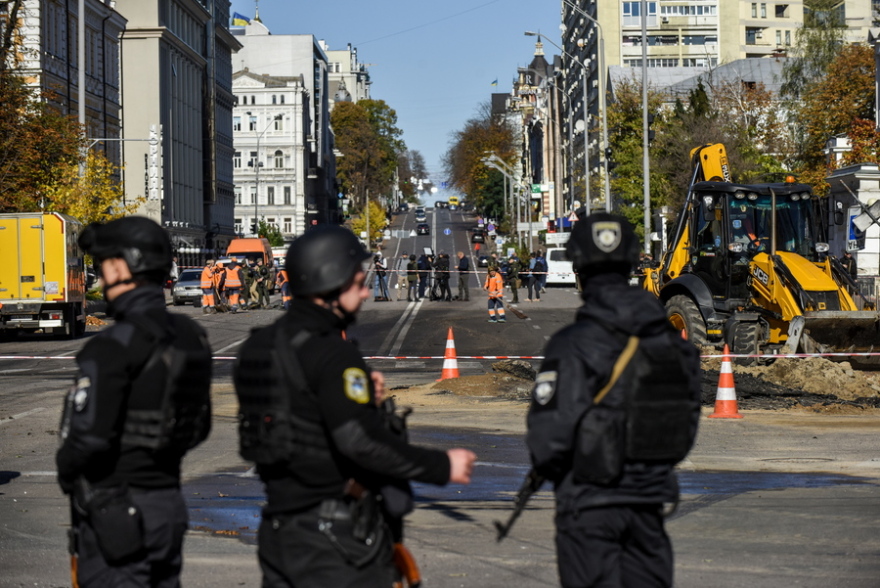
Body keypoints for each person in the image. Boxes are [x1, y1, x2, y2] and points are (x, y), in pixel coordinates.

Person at [233, 225, 477, 586]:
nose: (365, 292)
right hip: (336, 540)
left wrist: (351, 396)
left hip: (280, 529)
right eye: (358, 283)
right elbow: (360, 441)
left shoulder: (259, 347)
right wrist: (442, 466)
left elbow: (296, 410)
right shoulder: (331, 353)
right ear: (330, 282)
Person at [526, 212, 701, 588]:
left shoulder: (571, 345)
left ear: (578, 270)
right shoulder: (671, 342)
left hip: (589, 510)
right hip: (649, 511)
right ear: (632, 265)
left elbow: (548, 441)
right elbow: (684, 426)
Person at [57, 217, 212, 587]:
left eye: (103, 265)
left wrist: (68, 470)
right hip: (167, 504)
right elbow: (199, 426)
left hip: (116, 511)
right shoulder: (191, 335)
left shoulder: (112, 347)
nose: (100, 277)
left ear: (122, 267)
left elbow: (86, 440)